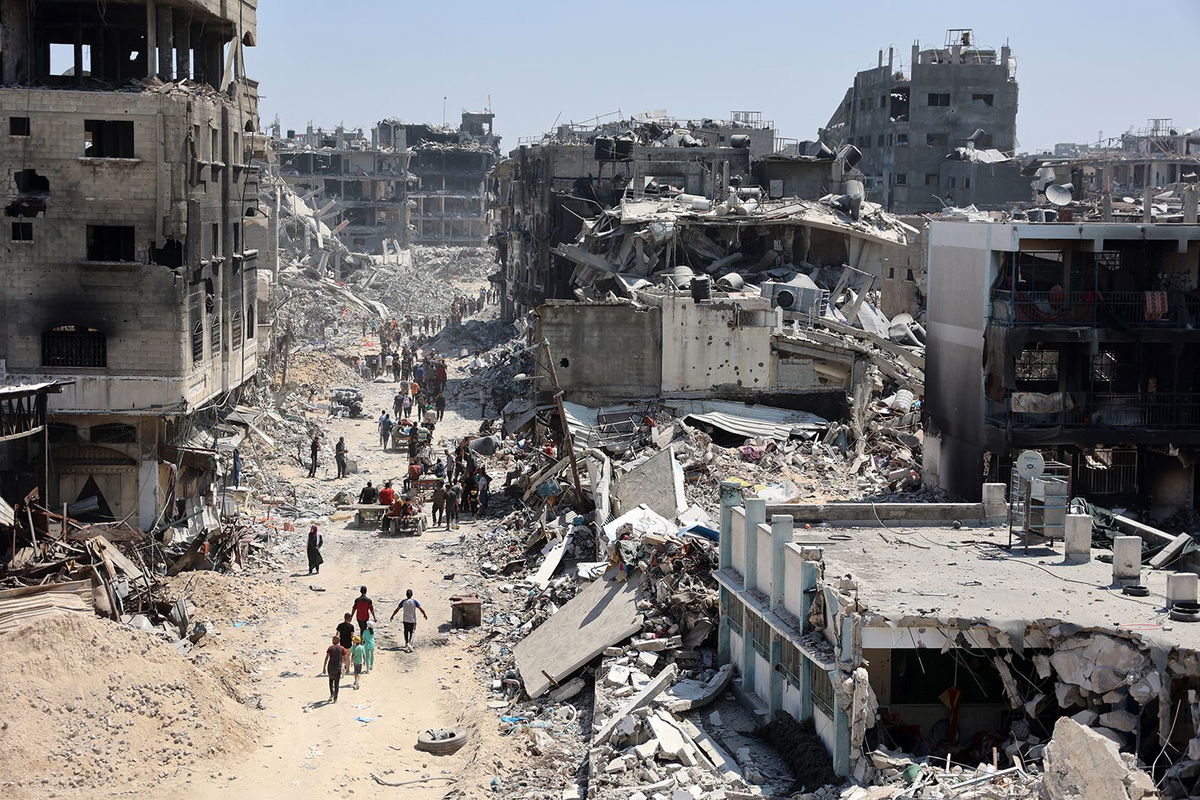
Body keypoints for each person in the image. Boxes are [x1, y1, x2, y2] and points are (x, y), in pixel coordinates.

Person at [321, 635, 345, 703]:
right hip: (338, 667)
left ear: (334, 640)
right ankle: (335, 698)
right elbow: (344, 659)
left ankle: (331, 694)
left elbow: (326, 658)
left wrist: (324, 667)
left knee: (331, 681)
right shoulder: (342, 648)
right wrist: (345, 666)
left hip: (330, 667)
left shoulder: (330, 648)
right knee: (337, 683)